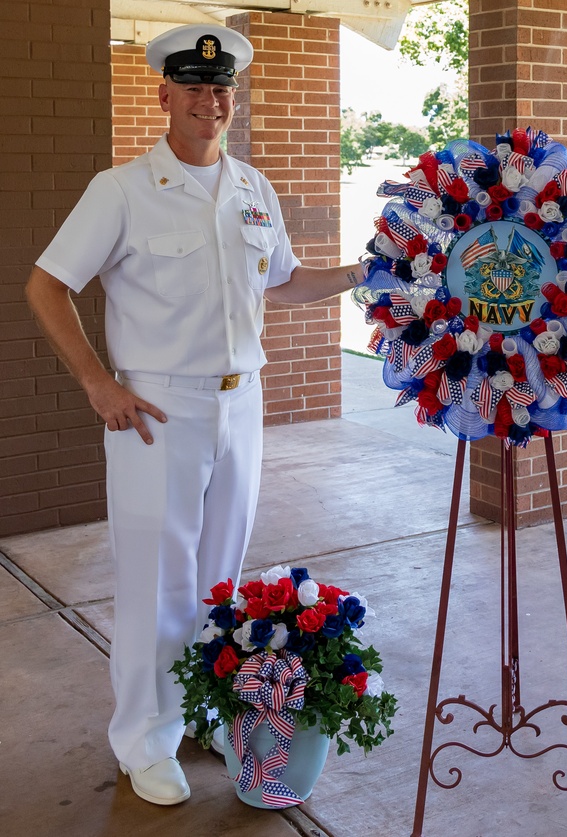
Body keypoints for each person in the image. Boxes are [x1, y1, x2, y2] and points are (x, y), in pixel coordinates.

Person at [25, 24, 362, 806]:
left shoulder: (253, 188)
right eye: (195, 88)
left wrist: (359, 272)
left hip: (243, 401)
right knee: (156, 581)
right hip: (156, 408)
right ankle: (145, 739)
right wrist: (96, 383)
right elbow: (47, 285)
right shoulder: (122, 190)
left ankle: (204, 710)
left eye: (222, 89)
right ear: (165, 96)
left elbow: (279, 286)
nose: (211, 101)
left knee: (218, 580)